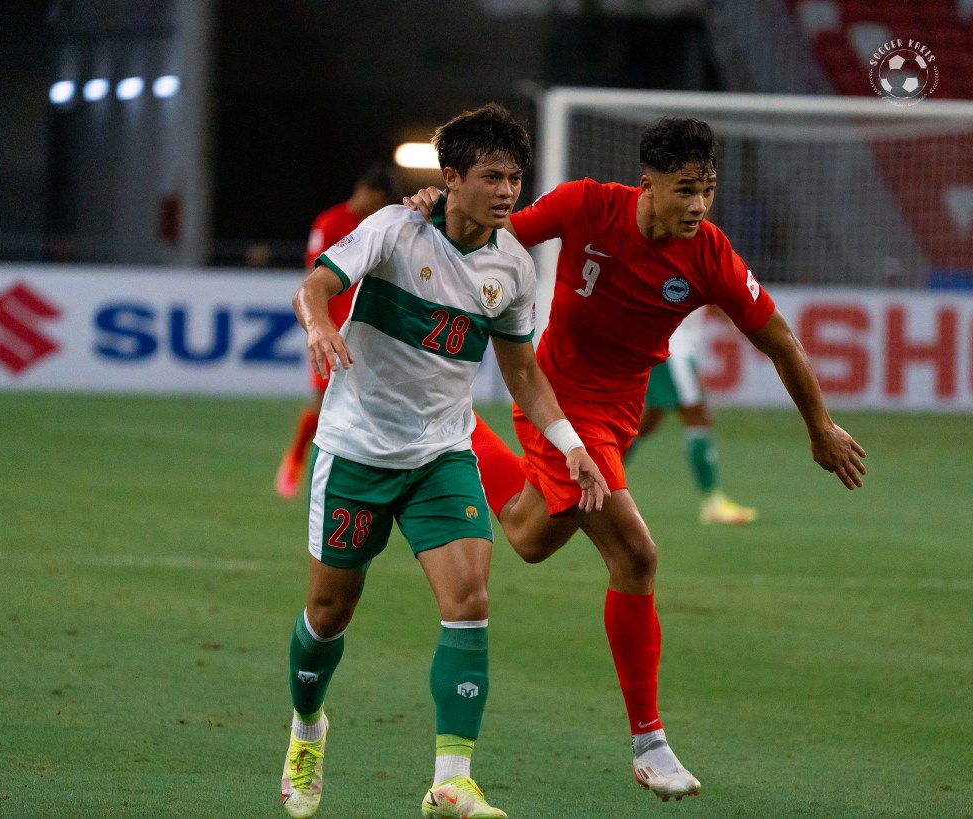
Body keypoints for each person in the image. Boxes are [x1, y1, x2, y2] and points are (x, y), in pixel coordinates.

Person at [406, 116, 866, 802]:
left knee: (530, 537)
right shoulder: (587, 204)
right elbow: (492, 234)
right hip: (556, 399)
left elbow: (780, 339)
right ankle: (649, 743)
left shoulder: (709, 254)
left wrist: (820, 426)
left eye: (708, 188)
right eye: (686, 189)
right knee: (636, 554)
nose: (699, 204)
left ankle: (459, 429)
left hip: (618, 414)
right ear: (648, 183)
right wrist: (435, 211)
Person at [279, 103, 609, 819]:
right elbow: (313, 287)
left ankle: (451, 780)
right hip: (357, 451)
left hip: (441, 454)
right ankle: (307, 728)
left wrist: (572, 445)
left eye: (515, 177)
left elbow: (521, 372)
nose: (507, 191)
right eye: (491, 176)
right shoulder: (395, 229)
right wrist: (321, 325)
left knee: (469, 602)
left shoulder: (513, 267)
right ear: (451, 179)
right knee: (328, 613)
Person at [274, 162, 400, 498]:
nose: (376, 208)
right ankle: (297, 458)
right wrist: (319, 323)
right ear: (364, 190)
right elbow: (312, 278)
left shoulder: (378, 227)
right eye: (376, 201)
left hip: (368, 328)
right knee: (324, 403)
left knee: (368, 405)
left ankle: (365, 475)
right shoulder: (330, 223)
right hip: (331, 330)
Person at [625, 306, 758, 525]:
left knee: (647, 421)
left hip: (671, 343)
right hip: (673, 348)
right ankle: (713, 502)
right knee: (698, 417)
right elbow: (715, 297)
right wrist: (740, 324)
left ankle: (596, 475)